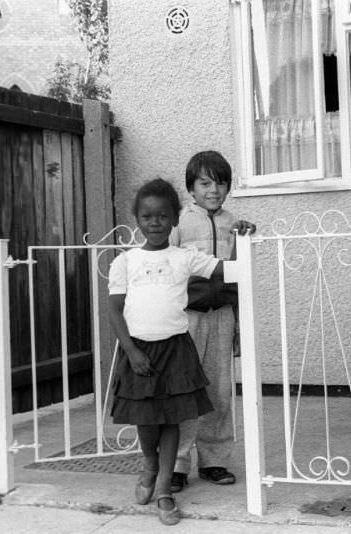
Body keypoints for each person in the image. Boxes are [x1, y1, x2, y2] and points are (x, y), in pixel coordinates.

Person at [108, 178, 252, 526]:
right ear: (137, 220)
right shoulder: (125, 262)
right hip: (138, 350)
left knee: (172, 418)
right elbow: (114, 310)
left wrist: (244, 240)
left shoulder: (185, 258)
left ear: (175, 220)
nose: (154, 222)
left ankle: (163, 490)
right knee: (146, 419)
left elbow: (229, 270)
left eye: (162, 216)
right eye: (147, 216)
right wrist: (131, 351)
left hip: (175, 350)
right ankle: (150, 465)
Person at [168, 150, 255, 492]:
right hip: (187, 317)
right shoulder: (179, 222)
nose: (213, 190)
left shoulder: (234, 222)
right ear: (191, 187)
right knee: (186, 390)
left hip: (222, 316)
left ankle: (214, 460)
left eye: (220, 183)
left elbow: (239, 270)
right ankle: (176, 464)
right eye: (205, 183)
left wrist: (247, 235)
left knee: (218, 391)